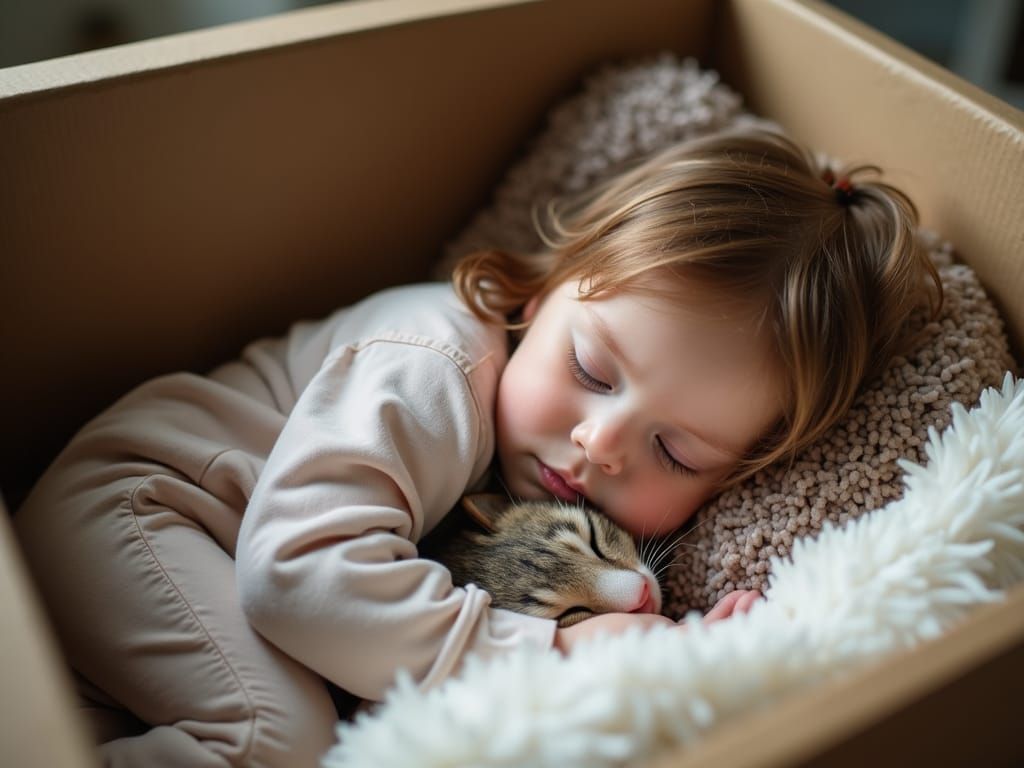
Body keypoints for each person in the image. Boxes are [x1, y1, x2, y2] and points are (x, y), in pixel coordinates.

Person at [14, 127, 941, 767]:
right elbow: (301, 579)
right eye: (592, 367)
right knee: (273, 739)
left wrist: (688, 650)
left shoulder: (539, 470)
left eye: (680, 452)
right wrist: (562, 655)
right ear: (541, 293)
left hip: (186, 574)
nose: (598, 444)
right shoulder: (436, 365)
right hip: (143, 510)